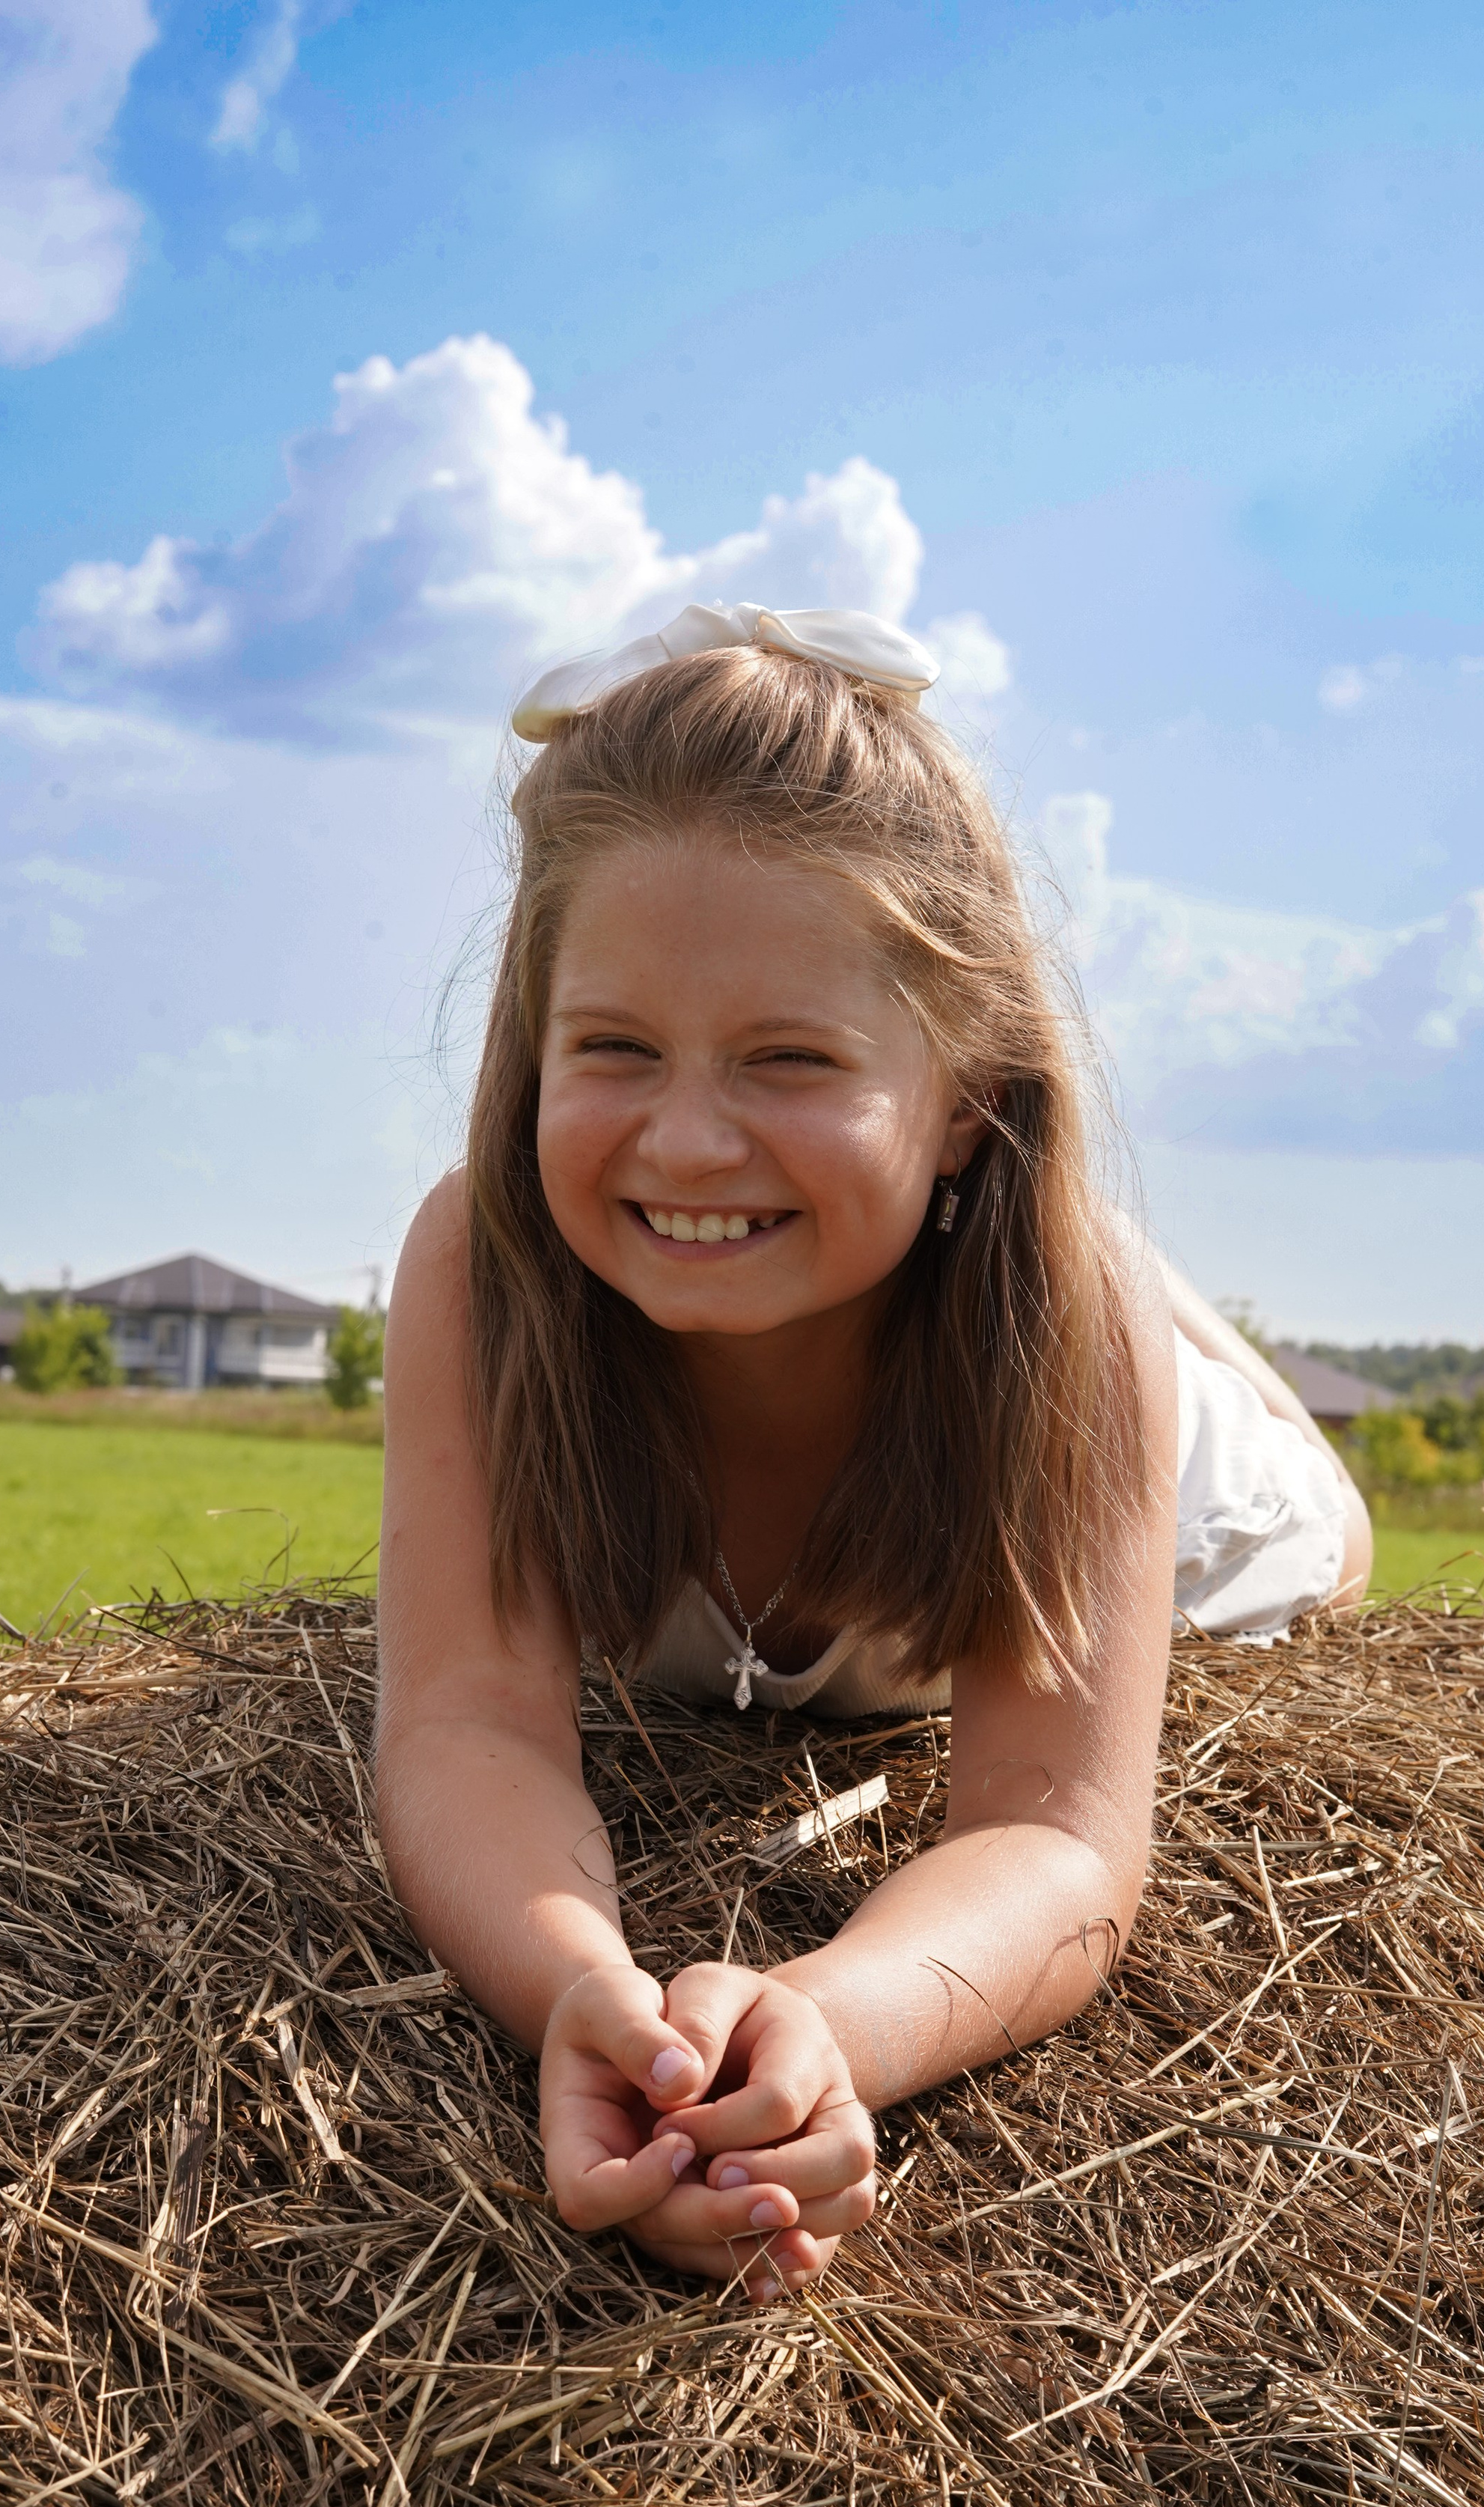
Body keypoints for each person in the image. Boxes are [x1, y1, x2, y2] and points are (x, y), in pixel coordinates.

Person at [375, 602, 1371, 2306]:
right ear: (530, 1043)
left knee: (1320, 1540)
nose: (689, 1137)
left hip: (1144, 1446)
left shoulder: (1068, 1338)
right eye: (614, 1048)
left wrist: (829, 2020)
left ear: (968, 1095)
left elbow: (1057, 1833)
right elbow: (468, 1722)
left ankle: (1179, 1323)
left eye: (790, 1060)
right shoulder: (483, 1269)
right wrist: (592, 2003)